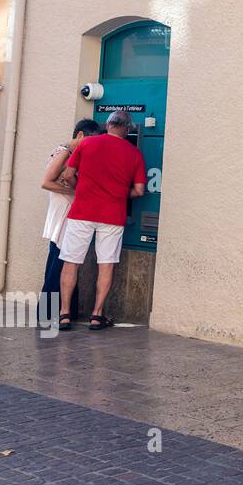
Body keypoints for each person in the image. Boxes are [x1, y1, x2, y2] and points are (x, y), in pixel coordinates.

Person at [57, 109, 147, 331]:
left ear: (107, 125)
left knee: (71, 262)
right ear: (127, 130)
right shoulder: (134, 153)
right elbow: (139, 190)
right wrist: (116, 193)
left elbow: (68, 175)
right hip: (112, 215)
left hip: (82, 212)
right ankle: (97, 315)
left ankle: (65, 314)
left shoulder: (87, 144)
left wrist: (83, 191)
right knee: (106, 264)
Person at [39, 118, 102, 322]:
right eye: (90, 140)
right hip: (63, 211)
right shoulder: (65, 152)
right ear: (81, 135)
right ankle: (48, 312)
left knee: (62, 260)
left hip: (66, 210)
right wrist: (75, 190)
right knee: (60, 261)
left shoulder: (70, 152)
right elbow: (46, 182)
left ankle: (65, 310)